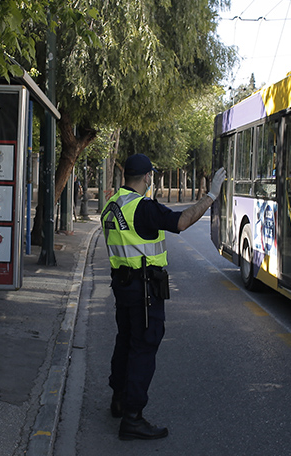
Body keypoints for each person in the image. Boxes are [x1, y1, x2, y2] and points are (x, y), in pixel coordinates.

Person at [101, 153, 225, 440]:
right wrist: (211, 195)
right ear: (147, 177)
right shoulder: (142, 208)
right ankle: (132, 418)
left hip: (122, 286)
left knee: (125, 341)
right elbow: (181, 222)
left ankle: (118, 399)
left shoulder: (112, 204)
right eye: (151, 176)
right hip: (144, 290)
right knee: (144, 348)